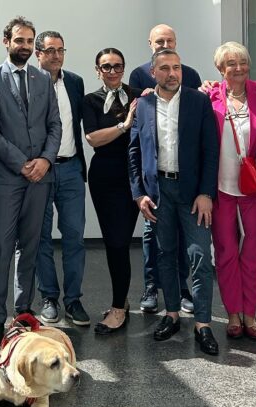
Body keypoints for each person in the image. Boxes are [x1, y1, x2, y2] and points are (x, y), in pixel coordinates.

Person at [0, 16, 61, 351]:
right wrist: (21, 163)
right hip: (7, 179)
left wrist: (45, 160)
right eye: (19, 40)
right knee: (0, 248)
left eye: (29, 41)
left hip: (40, 177)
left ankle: (23, 313)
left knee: (30, 246)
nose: (24, 46)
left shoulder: (43, 78)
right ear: (6, 41)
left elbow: (54, 125)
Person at [129, 49, 220, 355]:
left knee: (198, 257)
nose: (172, 73)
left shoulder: (198, 101)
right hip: (158, 193)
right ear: (153, 73)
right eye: (165, 68)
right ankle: (171, 314)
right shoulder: (143, 104)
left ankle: (203, 323)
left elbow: (211, 150)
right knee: (165, 253)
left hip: (193, 193)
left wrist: (207, 193)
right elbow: (134, 152)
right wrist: (139, 193)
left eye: (177, 68)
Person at [129, 24, 198, 315]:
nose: (164, 43)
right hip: (154, 178)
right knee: (152, 235)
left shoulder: (190, 73)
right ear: (150, 43)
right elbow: (137, 123)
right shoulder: (138, 74)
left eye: (169, 39)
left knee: (183, 237)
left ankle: (183, 290)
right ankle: (151, 287)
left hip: (183, 174)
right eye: (159, 40)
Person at [206, 42, 256, 340]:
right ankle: (233, 312)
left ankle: (251, 313)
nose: (238, 68)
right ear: (220, 69)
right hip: (222, 188)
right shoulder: (210, 97)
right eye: (230, 63)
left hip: (254, 188)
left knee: (253, 251)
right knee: (226, 251)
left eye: (242, 62)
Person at [81, 48, 141, 334]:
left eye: (118, 66)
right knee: (114, 242)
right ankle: (120, 304)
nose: (113, 72)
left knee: (122, 242)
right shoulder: (89, 101)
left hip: (136, 176)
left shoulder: (141, 96)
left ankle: (120, 306)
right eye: (106, 67)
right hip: (105, 178)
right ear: (98, 70)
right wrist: (124, 124)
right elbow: (93, 138)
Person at [34, 30, 90, 326]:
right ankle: (49, 298)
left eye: (60, 50)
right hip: (41, 171)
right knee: (41, 237)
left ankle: (74, 300)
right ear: (37, 53)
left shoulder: (76, 82)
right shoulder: (29, 83)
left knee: (74, 238)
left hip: (70, 170)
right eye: (50, 50)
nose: (56, 55)